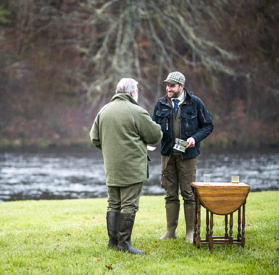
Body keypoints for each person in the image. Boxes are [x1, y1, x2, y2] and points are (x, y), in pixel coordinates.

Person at [90, 78, 162, 254]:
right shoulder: (136, 111)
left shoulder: (103, 111)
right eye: (136, 91)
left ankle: (113, 243)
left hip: (112, 167)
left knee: (113, 203)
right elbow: (155, 135)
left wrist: (111, 150)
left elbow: (94, 139)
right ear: (132, 93)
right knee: (129, 205)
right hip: (132, 167)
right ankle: (124, 244)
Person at [152, 71, 213, 243]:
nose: (168, 88)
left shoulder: (195, 103)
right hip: (167, 155)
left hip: (188, 156)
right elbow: (152, 127)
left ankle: (190, 232)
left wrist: (195, 138)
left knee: (188, 194)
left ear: (181, 86)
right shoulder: (161, 104)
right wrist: (148, 141)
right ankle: (170, 231)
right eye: (167, 85)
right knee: (170, 194)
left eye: (172, 85)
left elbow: (208, 126)